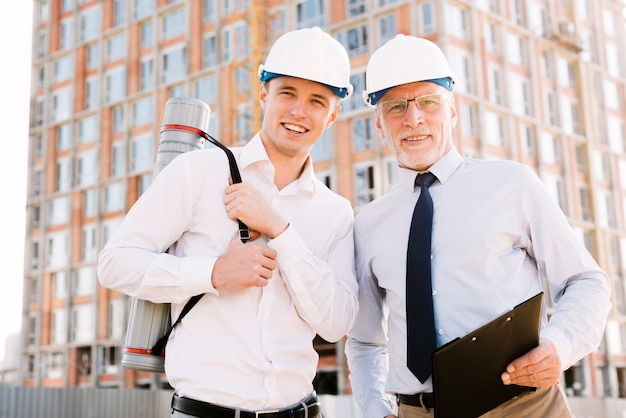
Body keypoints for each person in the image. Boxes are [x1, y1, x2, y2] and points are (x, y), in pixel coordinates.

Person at [345, 34, 611, 418]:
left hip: (522, 403)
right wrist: (373, 408)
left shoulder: (512, 184)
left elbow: (586, 281)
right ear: (380, 125)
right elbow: (365, 341)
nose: (413, 118)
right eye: (396, 106)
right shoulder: (367, 224)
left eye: (428, 102)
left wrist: (559, 345)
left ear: (452, 111)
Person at [97, 27, 358, 418]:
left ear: (333, 114)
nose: (299, 111)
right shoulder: (200, 171)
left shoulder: (335, 211)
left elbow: (337, 323)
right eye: (287, 93)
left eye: (317, 101)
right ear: (263, 94)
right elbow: (114, 263)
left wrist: (281, 231)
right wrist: (215, 273)